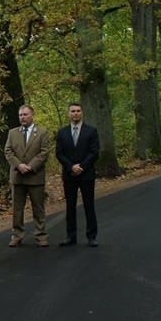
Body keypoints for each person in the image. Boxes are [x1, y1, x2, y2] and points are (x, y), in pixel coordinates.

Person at [4, 105, 50, 247]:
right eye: (20, 115)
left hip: (35, 176)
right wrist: (18, 165)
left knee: (38, 207)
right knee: (17, 208)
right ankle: (17, 235)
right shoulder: (12, 133)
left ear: (32, 115)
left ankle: (41, 235)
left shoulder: (42, 132)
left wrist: (30, 166)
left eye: (25, 114)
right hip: (18, 176)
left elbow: (44, 152)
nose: (22, 117)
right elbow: (8, 151)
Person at [55, 102, 100, 247]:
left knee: (89, 205)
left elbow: (94, 152)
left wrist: (81, 166)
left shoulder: (91, 131)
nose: (75, 113)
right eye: (73, 111)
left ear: (82, 113)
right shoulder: (62, 133)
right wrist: (71, 167)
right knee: (70, 206)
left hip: (86, 174)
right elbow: (59, 153)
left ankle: (91, 236)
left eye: (78, 111)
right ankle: (70, 236)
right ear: (68, 114)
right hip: (69, 175)